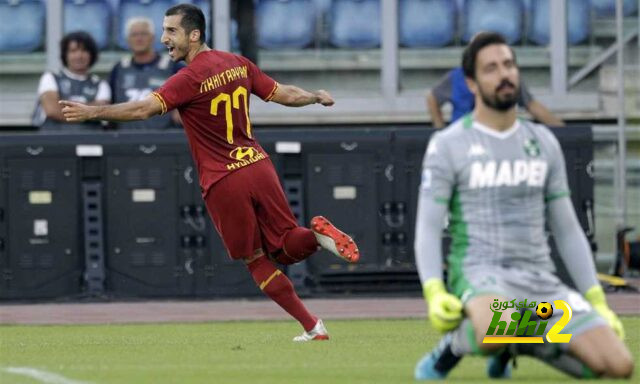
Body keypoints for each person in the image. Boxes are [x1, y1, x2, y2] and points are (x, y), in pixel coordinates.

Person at [60, 3, 359, 341]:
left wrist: (93, 112)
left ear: (195, 34)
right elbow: (283, 94)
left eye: (171, 31)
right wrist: (315, 97)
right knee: (286, 243)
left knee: (256, 258)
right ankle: (318, 236)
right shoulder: (238, 63)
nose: (164, 39)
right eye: (163, 31)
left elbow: (144, 109)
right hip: (258, 165)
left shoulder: (187, 78)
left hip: (223, 179)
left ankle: (312, 326)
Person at [413, 32, 633, 380]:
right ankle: (455, 345)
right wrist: (434, 289)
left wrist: (596, 298)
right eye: (491, 68)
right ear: (471, 83)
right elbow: (426, 227)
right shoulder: (448, 144)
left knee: (616, 365)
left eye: (509, 64)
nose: (504, 74)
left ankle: (517, 341)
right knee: (488, 325)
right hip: (480, 272)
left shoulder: (543, 141)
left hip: (540, 282)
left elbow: (566, 228)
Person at [426, 66, 565, 129]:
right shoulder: (456, 76)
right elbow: (432, 98)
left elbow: (531, 105)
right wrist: (440, 130)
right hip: (461, 142)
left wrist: (566, 131)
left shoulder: (509, 78)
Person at [109, 17, 183, 130]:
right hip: (125, 140)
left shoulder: (173, 67)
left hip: (164, 140)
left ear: (153, 38)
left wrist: (182, 109)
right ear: (128, 40)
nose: (139, 38)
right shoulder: (119, 70)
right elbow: (110, 105)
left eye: (144, 34)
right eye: (134, 34)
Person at [33, 31, 111, 131]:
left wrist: (64, 109)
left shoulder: (101, 85)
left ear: (92, 54)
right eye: (73, 51)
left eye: (84, 51)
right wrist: (89, 110)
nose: (79, 55)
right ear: (65, 55)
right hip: (54, 142)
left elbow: (101, 111)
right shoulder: (50, 78)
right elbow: (52, 110)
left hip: (89, 143)